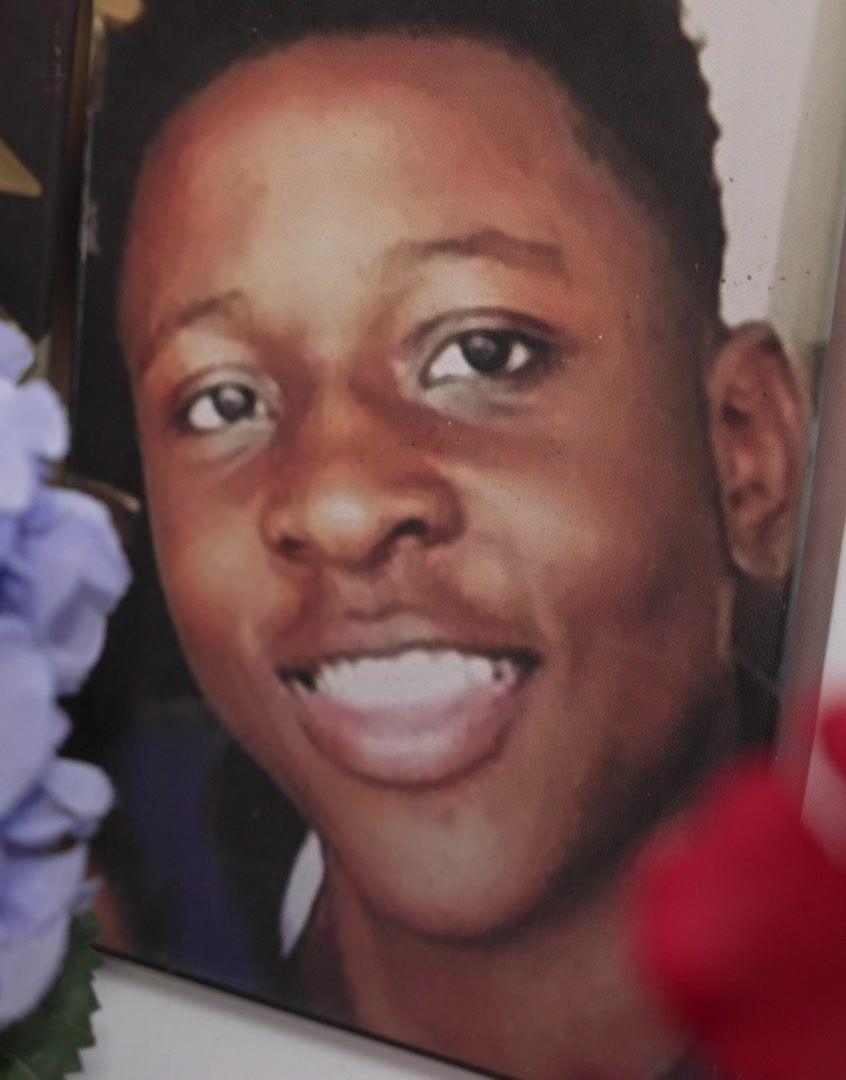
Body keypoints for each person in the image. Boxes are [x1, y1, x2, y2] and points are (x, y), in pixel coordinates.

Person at [84, 1, 809, 1074]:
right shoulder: (65, 872)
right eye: (222, 402)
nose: (334, 505)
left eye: (485, 352)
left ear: (743, 454)